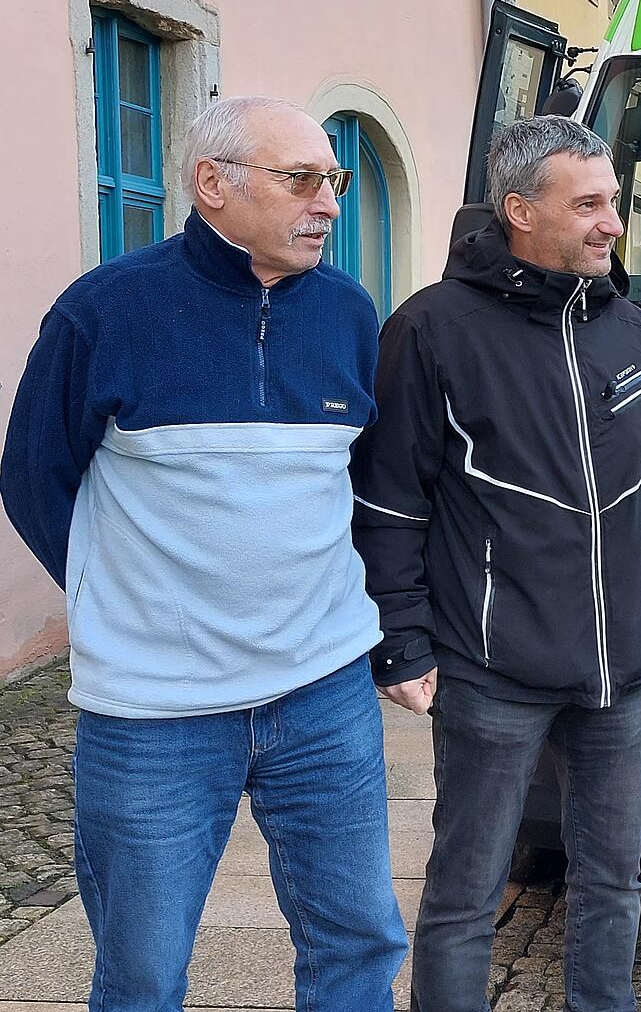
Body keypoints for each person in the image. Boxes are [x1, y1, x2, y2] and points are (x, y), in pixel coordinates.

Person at [0, 96, 406, 1011]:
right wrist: (121, 597)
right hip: (155, 711)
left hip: (323, 694)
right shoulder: (104, 313)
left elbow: (362, 481)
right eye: (301, 179)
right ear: (213, 184)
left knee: (358, 939)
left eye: (334, 180)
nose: (329, 203)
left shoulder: (346, 311)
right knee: (143, 969)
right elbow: (33, 476)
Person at [352, 115, 641, 1012]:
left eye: (613, 201)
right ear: (519, 211)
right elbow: (390, 503)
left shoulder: (629, 325)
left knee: (614, 882)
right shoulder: (430, 330)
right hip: (489, 670)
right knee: (466, 895)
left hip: (619, 670)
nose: (612, 223)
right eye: (587, 204)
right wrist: (402, 643)